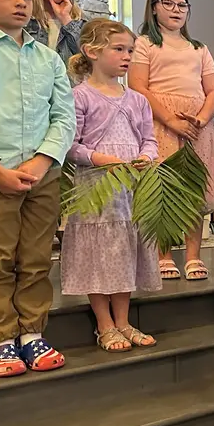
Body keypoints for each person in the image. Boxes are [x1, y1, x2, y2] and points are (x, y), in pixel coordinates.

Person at [0, 0, 75, 377]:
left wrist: (42, 160)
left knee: (35, 258)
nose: (20, 3)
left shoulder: (49, 59)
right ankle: (0, 338)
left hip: (42, 172)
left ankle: (32, 333)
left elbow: (64, 117)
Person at [62, 18, 161, 352]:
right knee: (99, 253)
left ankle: (124, 320)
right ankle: (104, 324)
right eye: (118, 49)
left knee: (124, 252)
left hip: (131, 188)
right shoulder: (79, 96)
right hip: (97, 190)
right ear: (91, 51)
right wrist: (99, 159)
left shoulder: (137, 100)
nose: (126, 56)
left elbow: (149, 139)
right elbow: (70, 145)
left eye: (130, 50)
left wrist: (146, 157)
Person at [128, 0, 214, 282]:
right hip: (160, 121)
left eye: (182, 5)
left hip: (197, 124)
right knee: (164, 189)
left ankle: (193, 256)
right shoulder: (144, 43)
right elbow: (138, 86)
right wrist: (170, 119)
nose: (176, 11)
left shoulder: (199, 48)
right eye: (168, 4)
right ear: (154, 7)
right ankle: (164, 254)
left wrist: (201, 117)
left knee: (194, 187)